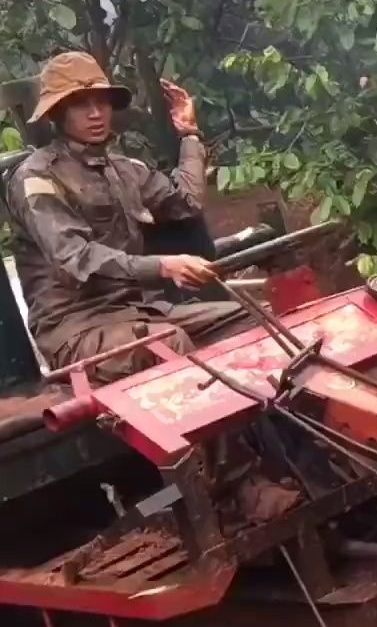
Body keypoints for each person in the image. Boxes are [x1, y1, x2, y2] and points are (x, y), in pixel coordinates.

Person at [4, 52, 243, 384]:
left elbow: (186, 202)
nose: (95, 113)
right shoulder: (37, 178)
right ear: (58, 113)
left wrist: (189, 134)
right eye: (80, 104)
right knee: (171, 347)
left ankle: (273, 432)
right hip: (77, 328)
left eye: (101, 102)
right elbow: (76, 258)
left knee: (247, 323)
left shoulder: (124, 170)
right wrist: (163, 266)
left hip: (141, 312)